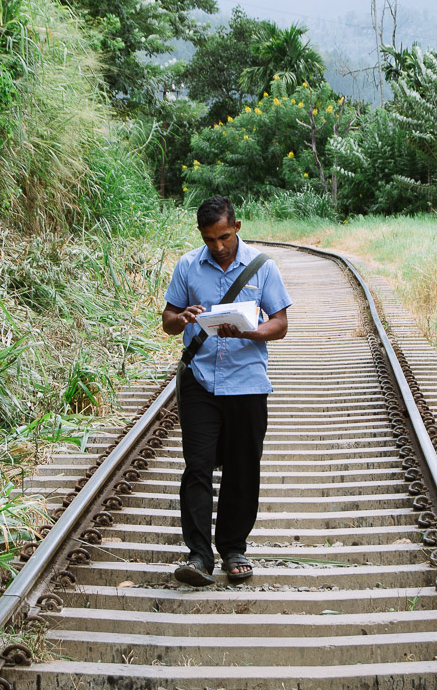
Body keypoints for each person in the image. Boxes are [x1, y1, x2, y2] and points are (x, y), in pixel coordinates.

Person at [161, 196, 292, 586]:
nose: (218, 246)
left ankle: (234, 549)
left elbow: (281, 324)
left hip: (247, 384)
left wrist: (248, 330)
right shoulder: (188, 265)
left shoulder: (263, 268)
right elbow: (168, 319)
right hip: (200, 380)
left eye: (223, 237)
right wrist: (181, 317)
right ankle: (199, 555)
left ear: (237, 225)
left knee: (242, 467)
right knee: (197, 468)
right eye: (209, 239)